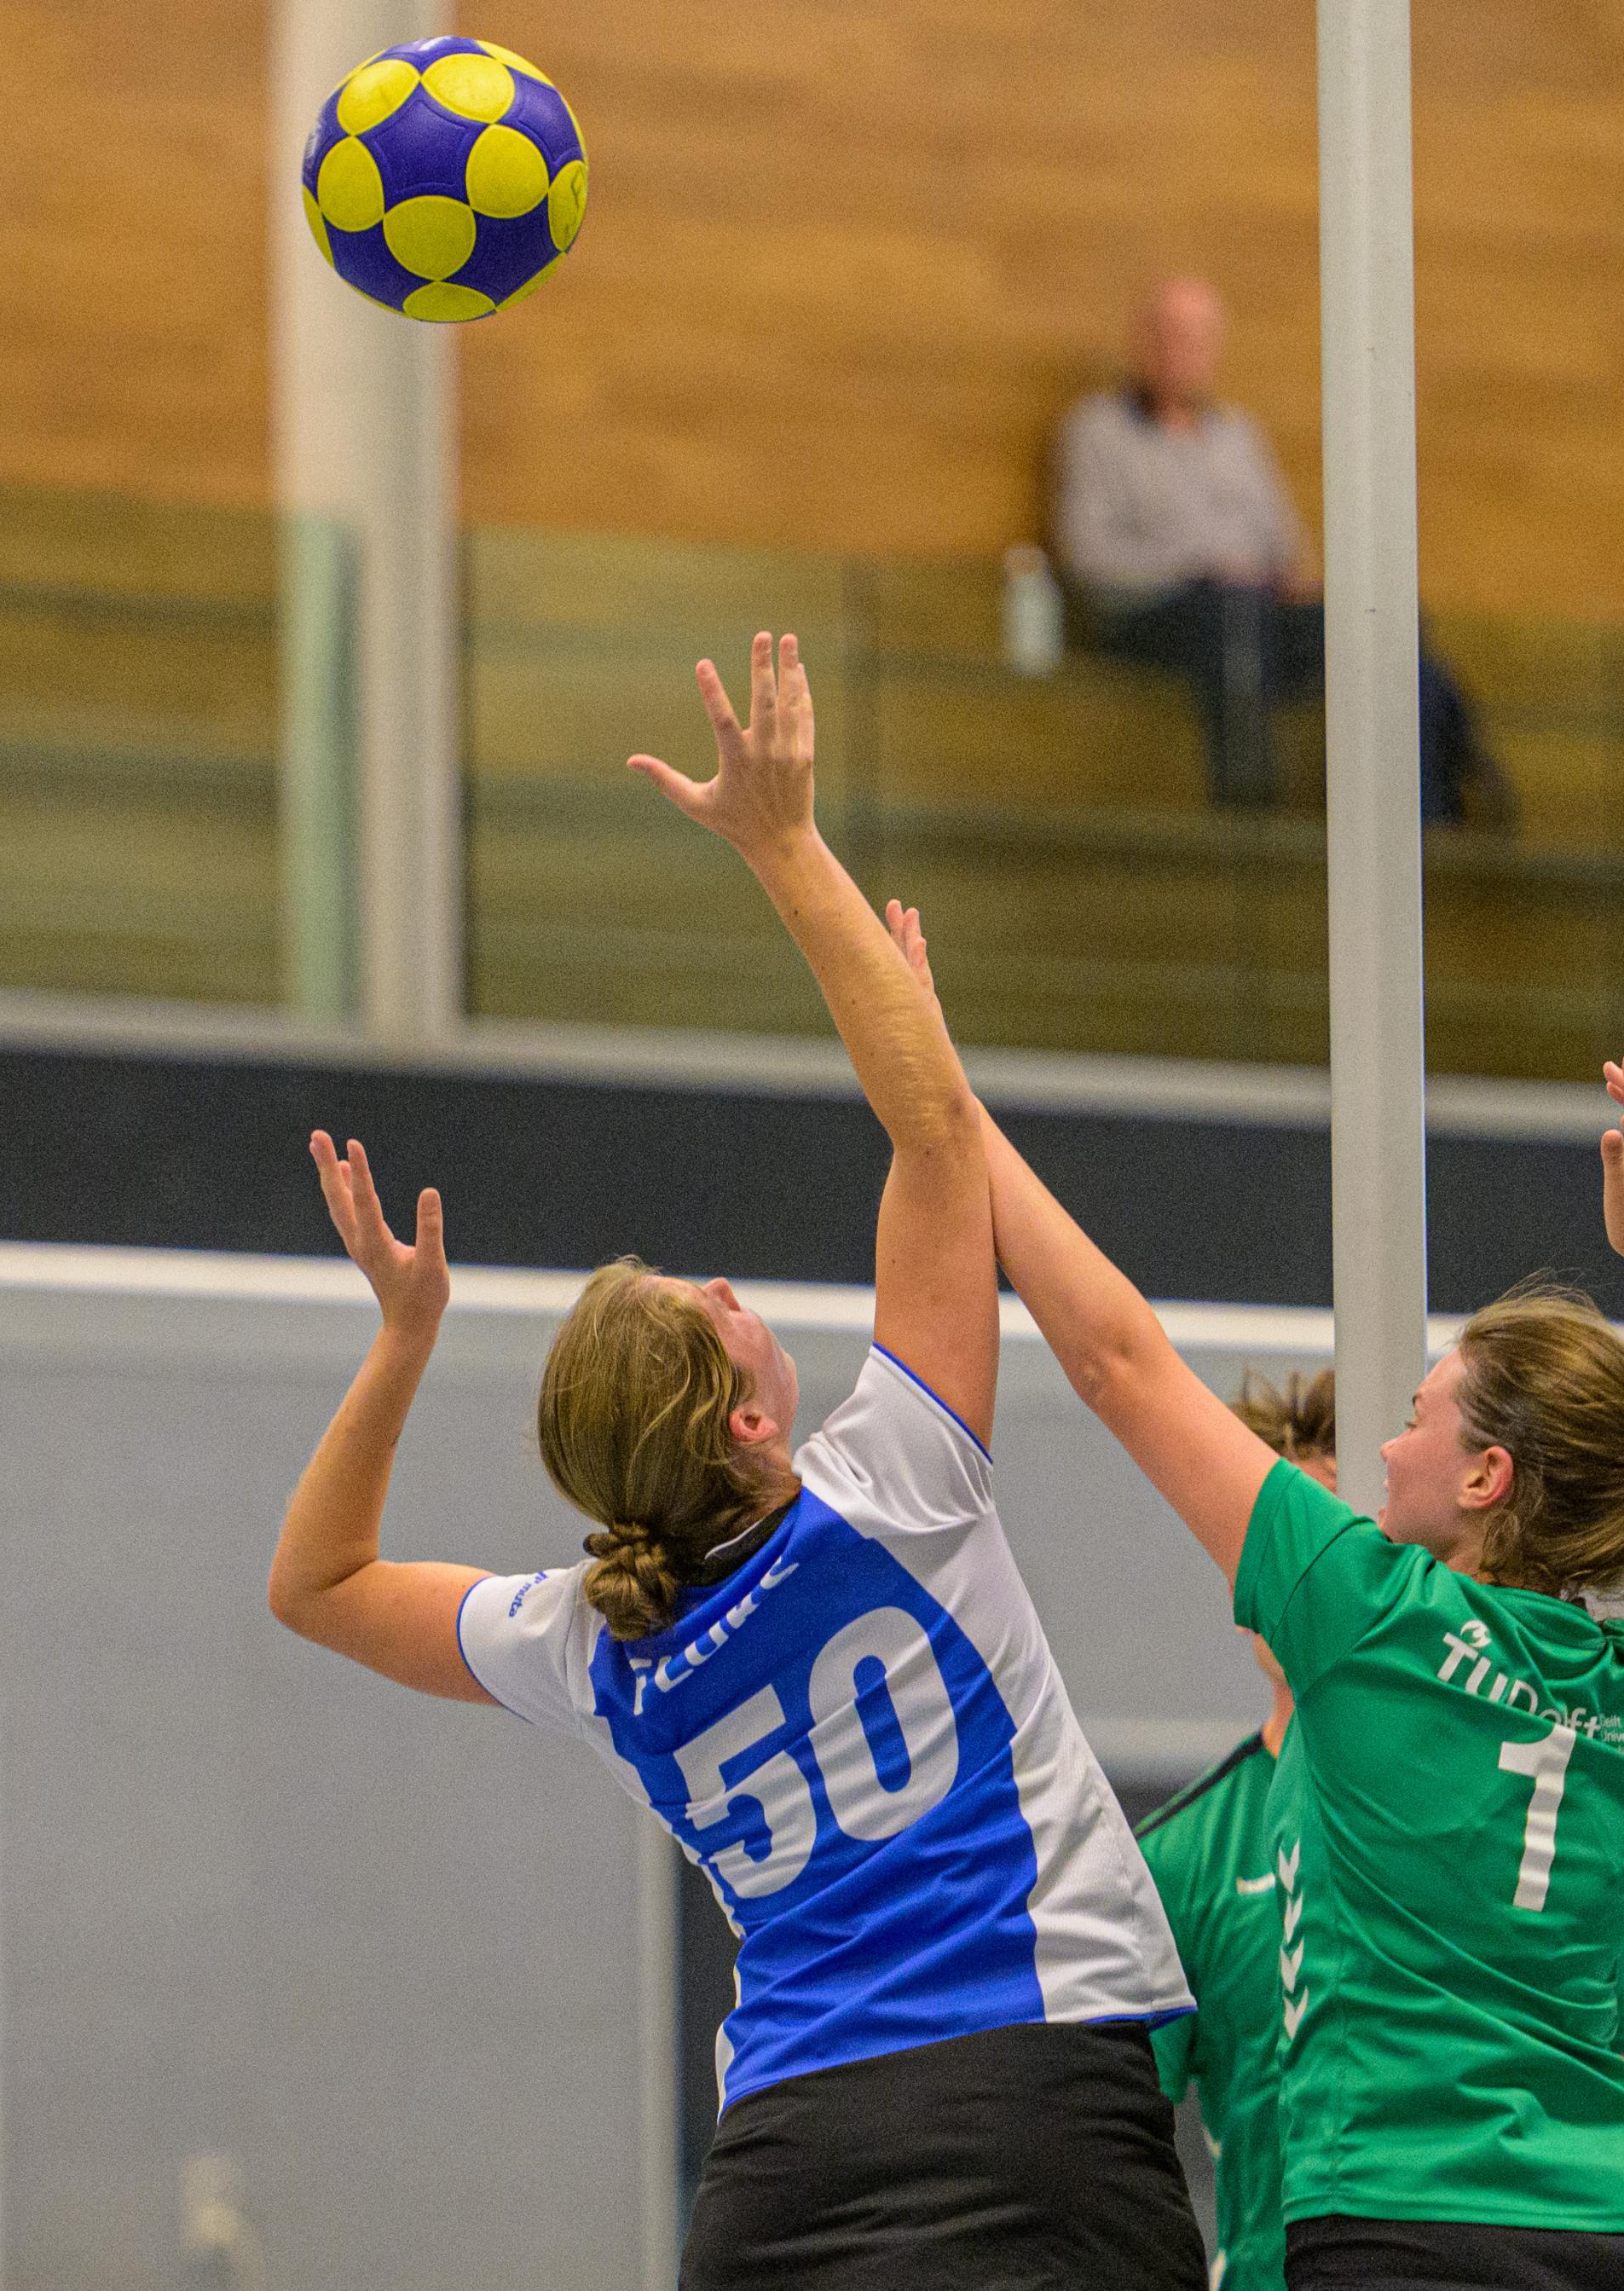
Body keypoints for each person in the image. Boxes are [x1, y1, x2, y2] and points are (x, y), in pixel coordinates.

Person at [267, 634, 1205, 2290]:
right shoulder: (892, 1484)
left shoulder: (594, 1637)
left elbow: (317, 1583)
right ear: (747, 1419)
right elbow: (938, 1136)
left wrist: (402, 1338)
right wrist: (786, 846)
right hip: (1027, 2084)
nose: (721, 1283)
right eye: (704, 1305)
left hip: (788, 2161)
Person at [898, 898, 1624, 2288]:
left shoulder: (1368, 1615)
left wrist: (944, 1099)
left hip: (1401, 2224)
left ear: (1483, 1476)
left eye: (1414, 1416)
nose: (1387, 1448)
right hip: (1618, 2232)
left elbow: (1116, 1357)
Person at [1130, 1369, 1624, 2291]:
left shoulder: (1535, 1808)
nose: (1332, 1549)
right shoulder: (1181, 1858)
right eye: (1307, 1519)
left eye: (1350, 1523)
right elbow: (1117, 2142)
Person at [1050, 275, 1506, 825]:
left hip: (1259, 611)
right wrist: (1202, 570)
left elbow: (1288, 548)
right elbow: (1089, 555)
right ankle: (1252, 829)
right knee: (1234, 618)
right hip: (1156, 614)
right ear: (1141, 341)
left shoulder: (1238, 436)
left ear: (1214, 348)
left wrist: (1297, 582)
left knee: (1387, 625)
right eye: (1167, 334)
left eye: (1194, 337)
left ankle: (1421, 821)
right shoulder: (1097, 431)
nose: (1179, 349)